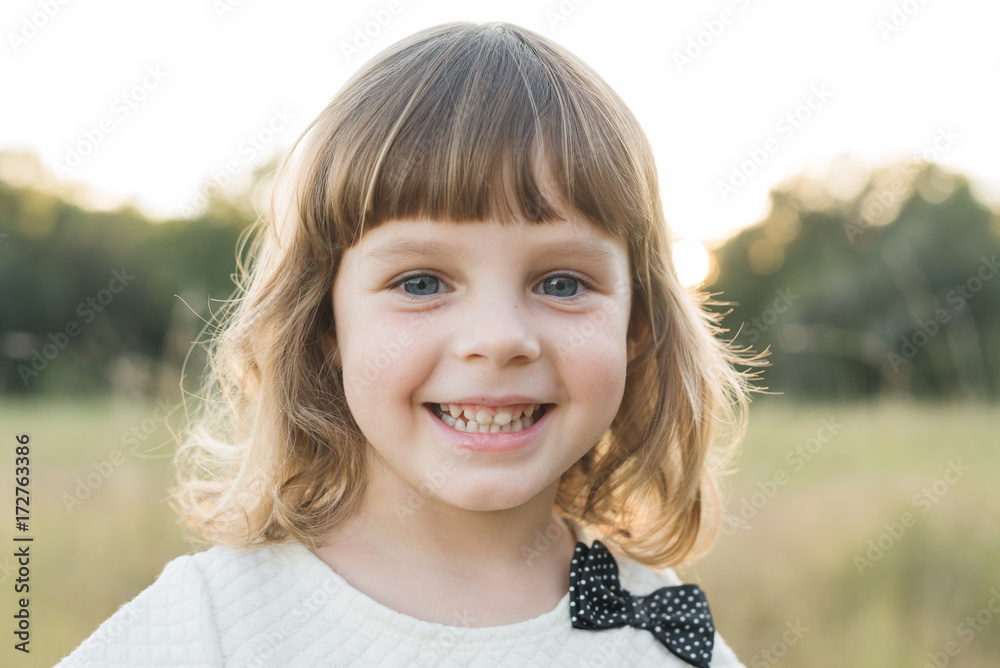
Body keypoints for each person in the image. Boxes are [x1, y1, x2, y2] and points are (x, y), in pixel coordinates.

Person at [57, 21, 759, 667]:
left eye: (563, 282)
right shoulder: (217, 624)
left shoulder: (657, 629)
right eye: (422, 282)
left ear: (637, 327)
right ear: (326, 324)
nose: (498, 340)